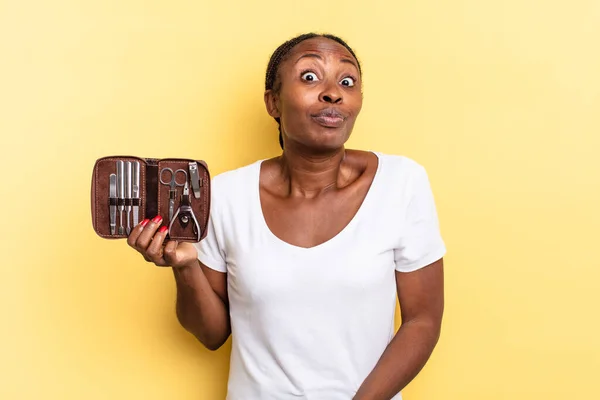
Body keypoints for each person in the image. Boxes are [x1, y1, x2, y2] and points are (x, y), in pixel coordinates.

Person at [127, 32, 446, 400]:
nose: (332, 92)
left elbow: (423, 321)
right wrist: (184, 266)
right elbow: (211, 334)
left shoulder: (401, 183)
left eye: (347, 81)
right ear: (273, 102)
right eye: (310, 76)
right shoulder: (225, 196)